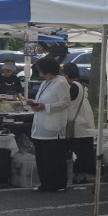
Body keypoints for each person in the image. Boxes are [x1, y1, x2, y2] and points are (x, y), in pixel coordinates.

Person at [29, 55, 71, 192]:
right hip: (40, 126)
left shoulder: (61, 83)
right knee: (42, 159)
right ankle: (45, 183)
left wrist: (46, 107)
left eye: (40, 68)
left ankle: (58, 184)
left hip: (54, 127)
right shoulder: (44, 83)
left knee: (54, 158)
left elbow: (65, 103)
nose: (38, 70)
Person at [61, 62, 96, 184]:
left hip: (78, 125)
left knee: (77, 152)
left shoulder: (72, 86)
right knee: (82, 151)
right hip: (84, 123)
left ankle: (78, 175)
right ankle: (80, 175)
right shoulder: (80, 84)